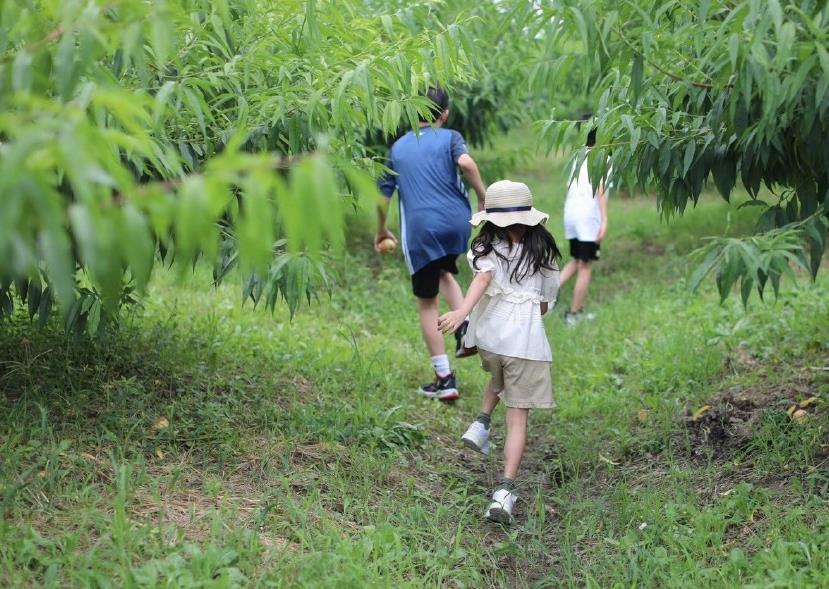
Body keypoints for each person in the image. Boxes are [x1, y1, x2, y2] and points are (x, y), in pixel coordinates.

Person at [437, 180, 561, 524]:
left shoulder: (484, 247)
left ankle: (480, 422)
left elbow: (482, 280)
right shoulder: (545, 253)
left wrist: (462, 313)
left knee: (498, 372)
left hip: (490, 337)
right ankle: (504, 491)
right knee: (518, 417)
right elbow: (545, 305)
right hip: (525, 345)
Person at [376, 86, 487, 402]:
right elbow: (465, 164)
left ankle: (444, 378)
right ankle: (465, 328)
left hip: (422, 228)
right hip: (456, 223)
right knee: (444, 273)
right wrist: (481, 195)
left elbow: (382, 197)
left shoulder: (397, 148)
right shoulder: (451, 137)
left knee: (426, 302)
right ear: (445, 114)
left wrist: (381, 230)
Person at [559, 128, 608, 325]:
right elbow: (601, 186)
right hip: (587, 217)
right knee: (585, 266)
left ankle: (548, 294)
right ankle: (574, 314)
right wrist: (604, 219)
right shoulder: (602, 157)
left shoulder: (578, 156)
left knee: (577, 260)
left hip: (571, 214)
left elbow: (568, 186)